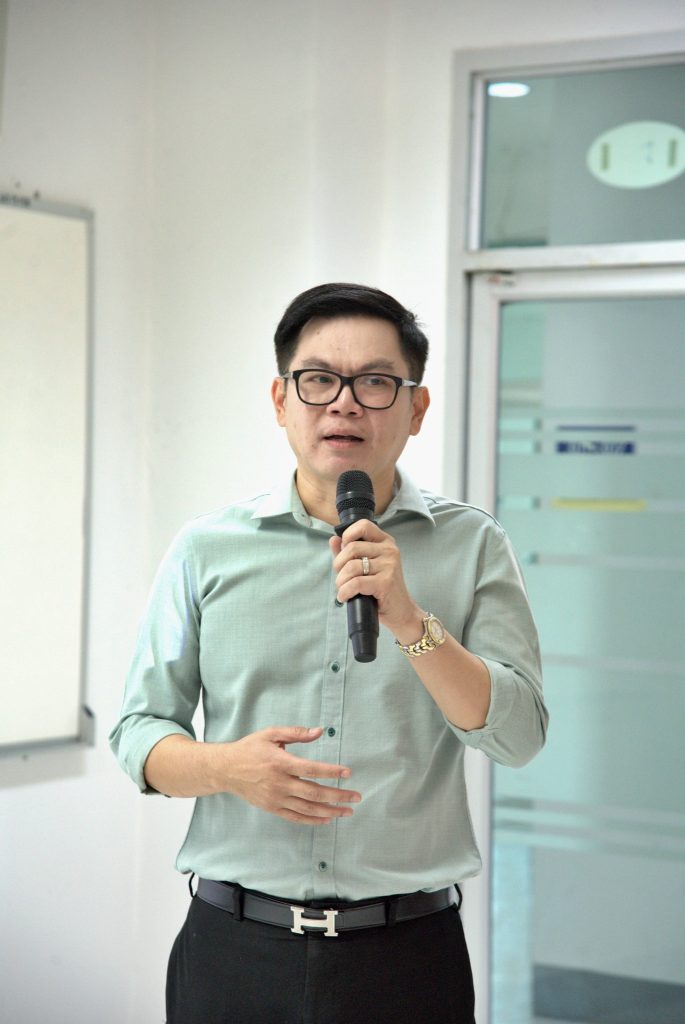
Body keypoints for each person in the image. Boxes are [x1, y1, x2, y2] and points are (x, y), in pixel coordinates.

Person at [110, 282, 547, 1024]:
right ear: (281, 399)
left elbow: (519, 736)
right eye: (318, 380)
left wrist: (409, 619)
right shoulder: (206, 549)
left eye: (375, 382)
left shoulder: (473, 545)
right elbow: (138, 732)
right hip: (232, 950)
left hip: (409, 957)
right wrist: (228, 768)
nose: (344, 404)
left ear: (416, 408)